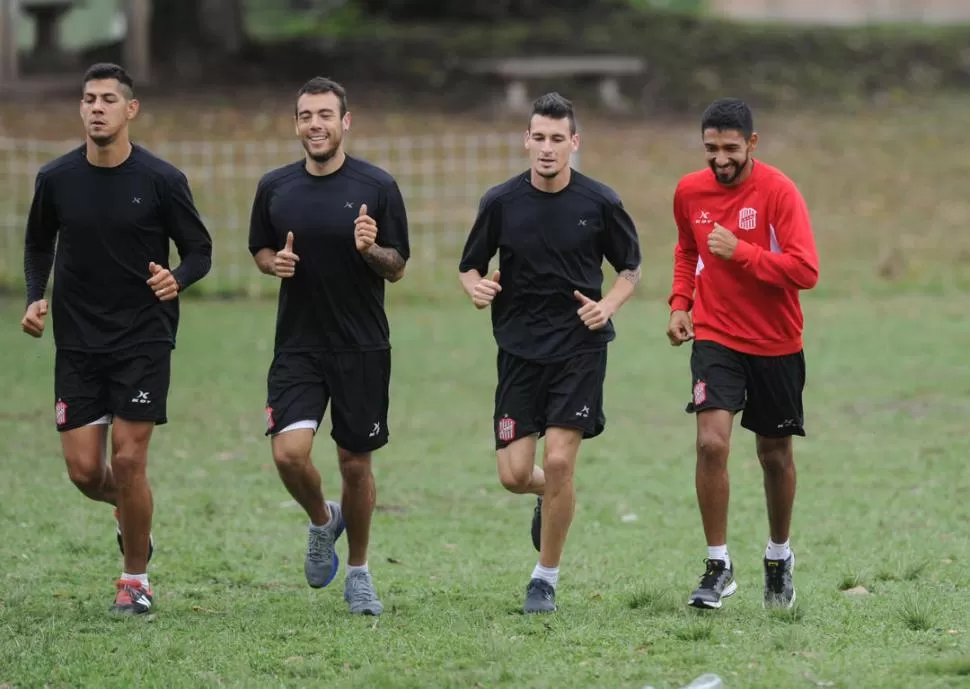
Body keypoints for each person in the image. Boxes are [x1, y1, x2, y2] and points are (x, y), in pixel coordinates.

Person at [20, 62, 213, 615]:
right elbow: (39, 247)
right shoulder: (56, 179)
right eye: (88, 99)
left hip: (143, 339)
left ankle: (135, 579)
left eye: (108, 99)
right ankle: (134, 517)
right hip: (78, 342)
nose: (96, 108)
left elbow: (199, 251)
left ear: (131, 110)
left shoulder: (161, 179)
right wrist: (36, 296)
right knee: (85, 473)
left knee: (129, 463)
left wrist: (177, 278)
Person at [458, 92, 642, 614]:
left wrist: (607, 306)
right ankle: (548, 496)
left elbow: (630, 268)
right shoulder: (500, 202)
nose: (546, 148)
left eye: (557, 139)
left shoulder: (599, 202)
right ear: (526, 140)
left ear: (573, 143)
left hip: (579, 349)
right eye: (538, 137)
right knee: (516, 476)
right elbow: (469, 266)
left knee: (559, 461)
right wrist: (475, 289)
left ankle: (545, 577)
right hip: (518, 349)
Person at [247, 77, 410, 617]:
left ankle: (360, 573)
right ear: (296, 124)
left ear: (346, 121)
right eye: (304, 116)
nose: (314, 124)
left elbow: (398, 267)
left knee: (355, 464)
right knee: (289, 455)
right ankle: (322, 520)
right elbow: (261, 251)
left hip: (361, 346)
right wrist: (276, 264)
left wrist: (370, 249)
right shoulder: (275, 187)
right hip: (297, 345)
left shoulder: (378, 187)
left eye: (324, 114)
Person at [666, 97, 819, 611]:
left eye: (730, 148)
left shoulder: (779, 192)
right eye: (711, 148)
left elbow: (806, 271)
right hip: (715, 335)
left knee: (774, 456)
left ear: (752, 143)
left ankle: (778, 556)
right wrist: (680, 303)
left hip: (776, 340)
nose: (720, 159)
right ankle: (718, 565)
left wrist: (745, 253)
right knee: (711, 444)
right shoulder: (689, 191)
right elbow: (687, 248)